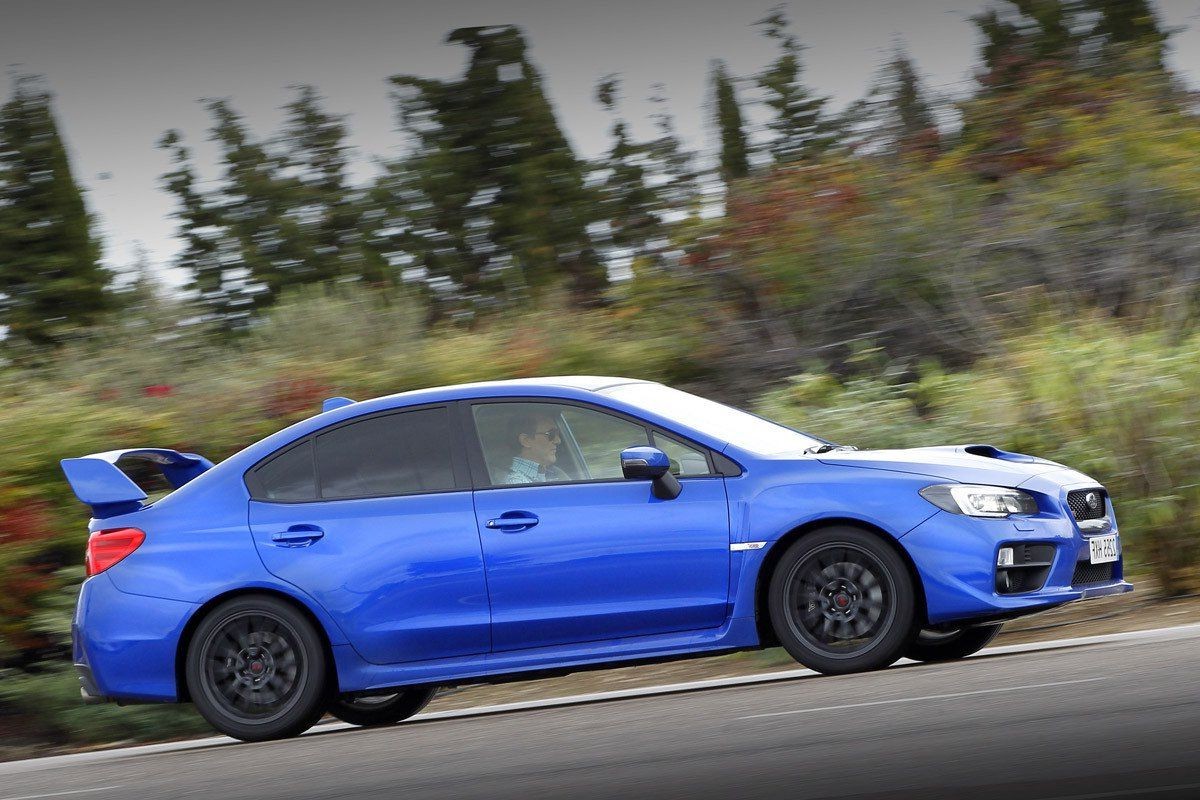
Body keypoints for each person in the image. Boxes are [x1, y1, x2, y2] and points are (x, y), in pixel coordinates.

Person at [504, 410, 570, 484]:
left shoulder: (553, 473)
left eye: (558, 434)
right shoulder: (517, 482)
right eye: (551, 434)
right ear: (526, 440)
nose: (558, 440)